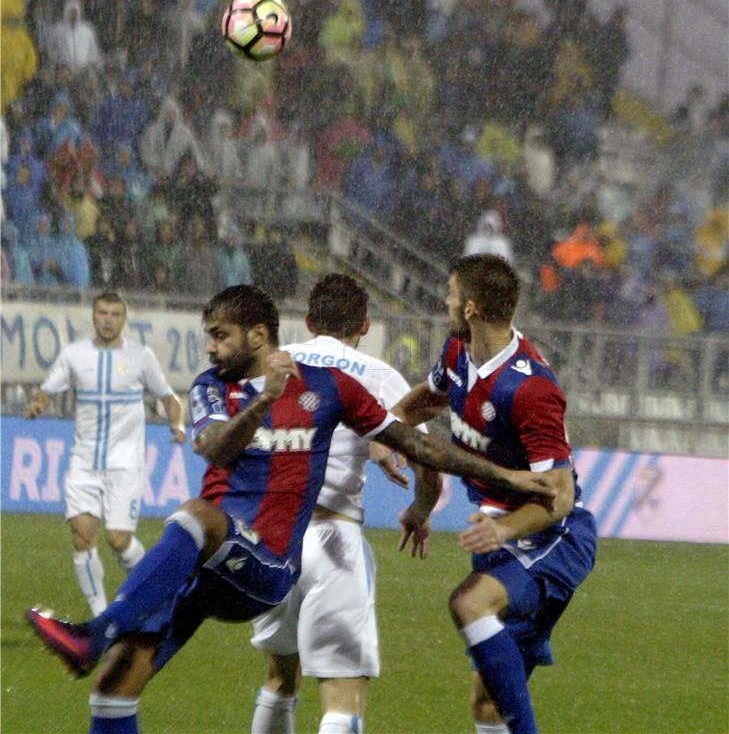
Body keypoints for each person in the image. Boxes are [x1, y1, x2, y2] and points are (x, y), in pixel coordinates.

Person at [27, 284, 555, 734]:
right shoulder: (214, 387)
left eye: (219, 336)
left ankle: (95, 634)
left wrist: (504, 475)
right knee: (114, 687)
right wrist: (261, 401)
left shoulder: (325, 385)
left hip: (273, 563)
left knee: (200, 524)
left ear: (260, 335)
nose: (209, 347)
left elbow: (419, 446)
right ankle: (102, 645)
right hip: (214, 560)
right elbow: (213, 448)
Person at [394, 254, 597, 734]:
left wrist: (502, 527)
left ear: (469, 307)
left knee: (469, 604)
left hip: (552, 541)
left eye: (449, 294)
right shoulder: (456, 354)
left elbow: (561, 496)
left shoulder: (530, 389)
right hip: (501, 538)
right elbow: (420, 404)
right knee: (487, 704)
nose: (443, 301)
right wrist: (392, 432)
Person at [249, 274, 438, 734]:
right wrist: (420, 510)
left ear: (310, 320)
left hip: (268, 539)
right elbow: (427, 462)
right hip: (333, 539)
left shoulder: (272, 366)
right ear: (366, 325)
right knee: (342, 698)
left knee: (280, 677)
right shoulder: (376, 375)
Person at [24, 291, 186, 616]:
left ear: (124, 319)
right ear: (94, 316)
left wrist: (178, 424)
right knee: (83, 536)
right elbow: (47, 388)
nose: (108, 320)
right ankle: (101, 617)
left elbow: (169, 398)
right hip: (84, 461)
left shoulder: (141, 356)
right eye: (102, 313)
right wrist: (39, 403)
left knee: (118, 540)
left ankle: (156, 589)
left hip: (124, 464)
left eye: (114, 314)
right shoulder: (74, 355)